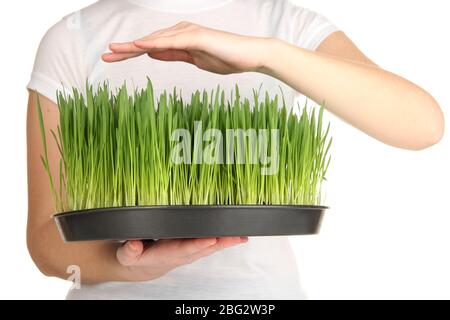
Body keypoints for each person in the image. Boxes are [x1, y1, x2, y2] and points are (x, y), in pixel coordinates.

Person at [26, 0, 444, 300]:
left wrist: (267, 54)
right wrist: (129, 266)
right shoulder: (74, 35)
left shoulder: (287, 23)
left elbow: (422, 126)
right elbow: (47, 244)